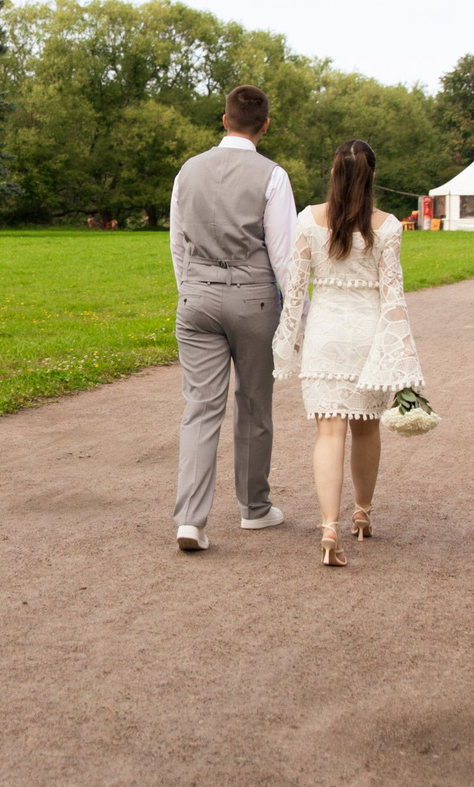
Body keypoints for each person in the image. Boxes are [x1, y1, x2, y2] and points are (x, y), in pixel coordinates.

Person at [273, 139, 423, 567]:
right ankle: (361, 512)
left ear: (335, 174)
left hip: (325, 336)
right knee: (366, 428)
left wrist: (289, 342)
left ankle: (328, 526)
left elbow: (295, 290)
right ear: (372, 176)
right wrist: (402, 355)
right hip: (368, 337)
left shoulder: (309, 221)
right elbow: (394, 297)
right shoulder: (389, 226)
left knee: (328, 433)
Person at [169, 85, 296, 552]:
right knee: (254, 403)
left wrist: (192, 291)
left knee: (200, 407)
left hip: (196, 297)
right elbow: (284, 256)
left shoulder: (187, 172)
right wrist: (296, 313)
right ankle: (253, 508)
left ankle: (190, 519)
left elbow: (178, 245)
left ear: (223, 120)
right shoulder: (273, 176)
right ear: (264, 125)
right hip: (254, 301)